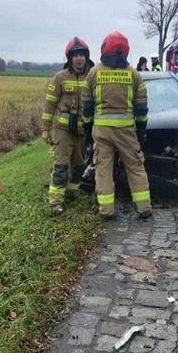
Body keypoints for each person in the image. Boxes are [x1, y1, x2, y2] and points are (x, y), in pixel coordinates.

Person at [83, 31, 152, 220]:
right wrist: (141, 131)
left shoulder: (94, 73)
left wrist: (88, 126)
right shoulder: (134, 75)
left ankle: (106, 210)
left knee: (103, 167)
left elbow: (87, 106)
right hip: (126, 130)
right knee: (135, 166)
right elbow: (141, 108)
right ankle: (144, 208)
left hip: (102, 131)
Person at [42, 37, 94, 216]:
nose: (79, 58)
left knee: (80, 165)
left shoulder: (92, 75)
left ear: (86, 57)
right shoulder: (60, 77)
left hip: (83, 131)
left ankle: (72, 192)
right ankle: (56, 201)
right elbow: (49, 104)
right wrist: (45, 128)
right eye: (75, 55)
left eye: (82, 55)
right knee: (62, 165)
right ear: (69, 58)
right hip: (63, 132)